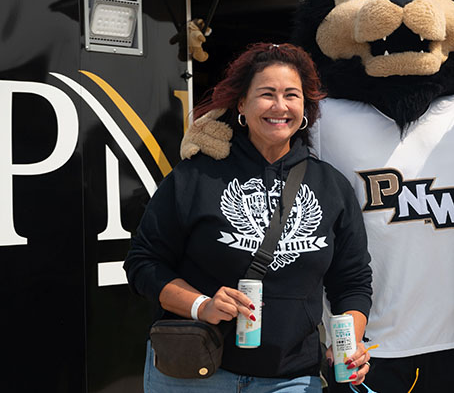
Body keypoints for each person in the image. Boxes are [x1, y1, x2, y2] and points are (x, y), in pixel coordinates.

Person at [124, 43, 373, 392]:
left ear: (306, 107)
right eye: (267, 94)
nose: (280, 106)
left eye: (291, 95)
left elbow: (352, 282)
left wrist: (352, 343)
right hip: (194, 374)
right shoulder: (196, 176)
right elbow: (143, 263)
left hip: (290, 378)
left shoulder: (331, 185)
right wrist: (202, 305)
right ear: (241, 104)